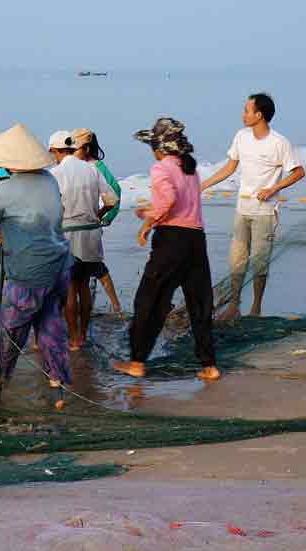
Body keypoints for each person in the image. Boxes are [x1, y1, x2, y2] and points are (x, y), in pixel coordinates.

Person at [113, 118, 220, 381]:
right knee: (199, 303)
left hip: (171, 241)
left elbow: (169, 200)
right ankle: (209, 365)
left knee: (149, 300)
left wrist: (148, 221)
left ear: (159, 148)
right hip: (196, 240)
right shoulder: (190, 169)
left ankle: (137, 362)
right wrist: (149, 213)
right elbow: (180, 203)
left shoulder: (160, 167)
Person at [0, 124, 73, 396]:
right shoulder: (49, 179)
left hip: (27, 273)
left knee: (11, 333)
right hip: (60, 266)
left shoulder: (5, 190)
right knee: (51, 327)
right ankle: (59, 386)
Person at [201, 93, 304, 319]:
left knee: (259, 262)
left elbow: (299, 172)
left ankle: (256, 308)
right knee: (236, 260)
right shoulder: (241, 136)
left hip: (265, 213)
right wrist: (203, 184)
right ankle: (234, 306)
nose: (243, 114)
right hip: (242, 209)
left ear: (259, 115)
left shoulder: (279, 143)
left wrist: (273, 189)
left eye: (247, 110)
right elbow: (230, 168)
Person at [48, 131, 117, 351]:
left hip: (68, 234)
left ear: (56, 151)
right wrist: (97, 214)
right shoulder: (92, 170)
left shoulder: (55, 173)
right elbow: (111, 200)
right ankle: (83, 335)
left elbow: (50, 208)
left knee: (69, 288)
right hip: (91, 234)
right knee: (84, 286)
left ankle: (74, 338)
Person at [71, 127, 123, 314]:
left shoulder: (97, 167)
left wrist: (104, 217)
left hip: (88, 226)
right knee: (81, 269)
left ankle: (116, 307)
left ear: (86, 148)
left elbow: (115, 191)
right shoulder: (73, 166)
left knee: (96, 268)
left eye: (75, 148)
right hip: (72, 227)